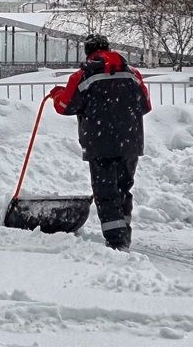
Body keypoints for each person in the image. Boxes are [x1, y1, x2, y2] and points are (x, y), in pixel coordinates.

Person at [49, 34, 151, 250]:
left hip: (100, 143)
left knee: (106, 193)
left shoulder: (82, 76)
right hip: (130, 142)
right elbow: (145, 106)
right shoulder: (133, 74)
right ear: (108, 48)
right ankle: (123, 234)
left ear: (88, 52)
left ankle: (117, 243)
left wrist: (57, 94)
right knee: (123, 189)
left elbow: (65, 106)